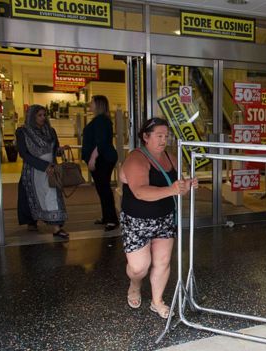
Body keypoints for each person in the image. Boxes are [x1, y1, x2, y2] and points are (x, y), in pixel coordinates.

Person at [119, 117, 198, 318]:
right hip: (137, 221)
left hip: (164, 218)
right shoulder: (136, 158)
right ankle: (135, 285)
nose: (164, 140)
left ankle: (157, 301)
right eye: (159, 136)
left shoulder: (170, 158)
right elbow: (140, 192)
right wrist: (172, 189)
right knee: (139, 268)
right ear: (146, 137)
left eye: (166, 136)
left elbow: (175, 189)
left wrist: (186, 185)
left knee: (162, 261)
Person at [16, 105, 69, 238]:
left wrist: (60, 150)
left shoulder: (50, 131)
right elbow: (24, 154)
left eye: (44, 115)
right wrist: (43, 166)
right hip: (33, 171)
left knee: (52, 196)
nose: (43, 118)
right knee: (32, 197)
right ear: (32, 116)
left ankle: (57, 228)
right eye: (39, 115)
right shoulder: (23, 132)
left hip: (51, 172)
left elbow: (54, 149)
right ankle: (32, 221)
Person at [82, 95, 119, 231]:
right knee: (101, 189)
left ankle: (112, 219)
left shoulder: (101, 121)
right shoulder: (101, 120)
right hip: (102, 158)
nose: (90, 104)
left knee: (104, 189)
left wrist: (92, 159)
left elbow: (101, 142)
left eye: (92, 102)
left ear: (99, 105)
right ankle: (107, 217)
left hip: (102, 159)